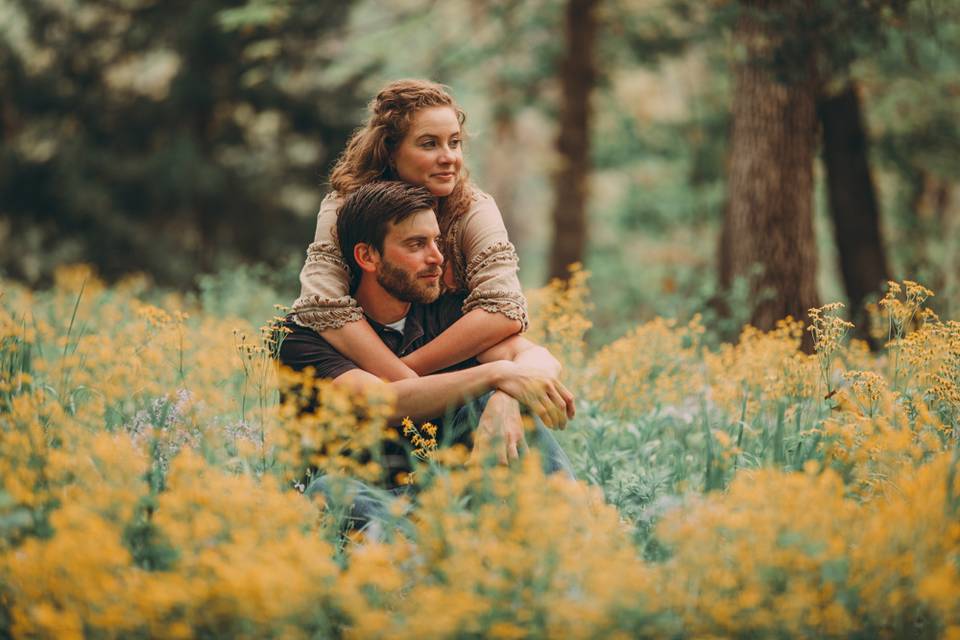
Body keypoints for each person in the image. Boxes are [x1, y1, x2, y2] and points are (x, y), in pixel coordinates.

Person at [279, 182, 575, 530]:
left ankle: (573, 540)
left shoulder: (444, 313)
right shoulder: (304, 336)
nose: (436, 257)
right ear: (367, 256)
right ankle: (429, 569)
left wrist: (506, 396)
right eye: (416, 244)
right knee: (329, 491)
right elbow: (384, 402)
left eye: (437, 242)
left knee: (507, 401)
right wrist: (496, 374)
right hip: (367, 498)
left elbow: (538, 359)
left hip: (447, 494)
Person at [289, 79, 527, 383]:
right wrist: (405, 386)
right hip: (357, 366)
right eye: (429, 144)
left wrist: (408, 374)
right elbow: (322, 303)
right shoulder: (344, 205)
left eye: (454, 142)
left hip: (446, 357)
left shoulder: (473, 209)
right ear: (390, 151)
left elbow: (504, 310)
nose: (449, 157)